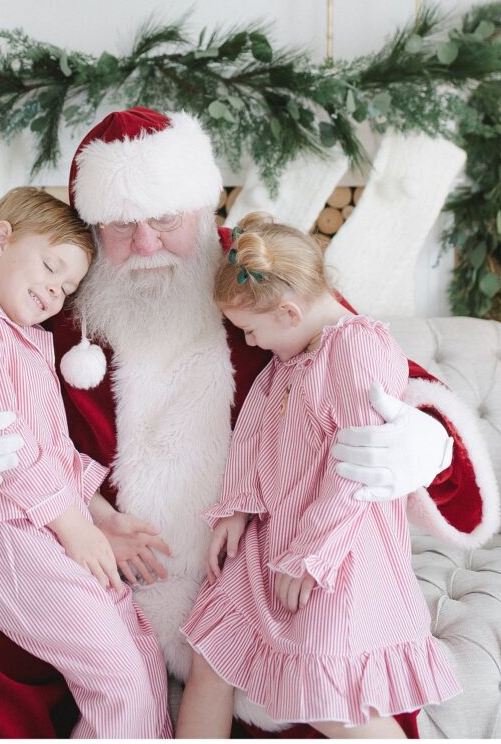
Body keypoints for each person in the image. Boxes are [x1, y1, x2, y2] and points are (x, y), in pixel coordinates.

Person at [0, 107, 498, 739]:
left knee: (332, 664)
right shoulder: (56, 294)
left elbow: (377, 371)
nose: (146, 242)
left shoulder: (253, 285)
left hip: (254, 571)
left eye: (164, 218)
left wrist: (430, 443)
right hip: (82, 571)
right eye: (121, 227)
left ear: (201, 204)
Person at [176, 215, 462, 740]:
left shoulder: (358, 351)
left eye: (251, 331)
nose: (251, 342)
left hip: (337, 553)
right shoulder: (290, 355)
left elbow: (356, 469)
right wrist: (238, 505)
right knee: (209, 657)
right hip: (270, 540)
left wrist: (311, 554)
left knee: (332, 700)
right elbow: (254, 432)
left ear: (288, 311)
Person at [0, 187, 170, 739]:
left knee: (139, 646)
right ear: (2, 238)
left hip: (41, 522)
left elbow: (52, 449)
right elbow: (3, 439)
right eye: (50, 267)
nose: (55, 290)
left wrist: (101, 518)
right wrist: (76, 527)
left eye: (67, 286)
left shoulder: (29, 341)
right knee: (117, 676)